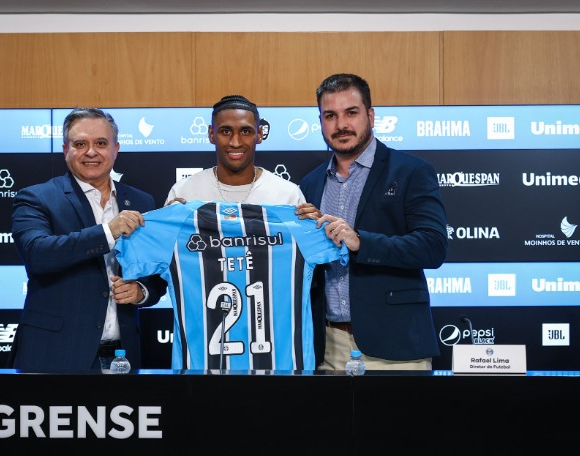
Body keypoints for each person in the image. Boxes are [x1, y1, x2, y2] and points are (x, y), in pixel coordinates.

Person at [298, 73, 448, 371]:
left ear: (370, 115)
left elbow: (433, 247)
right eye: (330, 115)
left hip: (396, 345)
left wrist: (361, 242)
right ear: (320, 122)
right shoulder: (310, 183)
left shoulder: (411, 171)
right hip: (327, 345)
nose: (341, 125)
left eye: (351, 113)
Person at [11, 107, 167, 372]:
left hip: (122, 355)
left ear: (116, 149)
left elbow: (156, 272)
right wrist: (108, 231)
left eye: (101, 143)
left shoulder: (141, 201)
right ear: (65, 150)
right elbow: (38, 254)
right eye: (80, 144)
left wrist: (141, 291)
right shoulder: (36, 198)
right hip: (55, 354)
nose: (91, 152)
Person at [165, 94, 311, 207]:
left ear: (259, 134)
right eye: (226, 131)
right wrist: (168, 220)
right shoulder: (183, 192)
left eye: (245, 131)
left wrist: (314, 224)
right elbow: (165, 237)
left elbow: (303, 237)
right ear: (211, 134)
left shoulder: (288, 195)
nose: (235, 143)